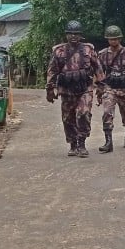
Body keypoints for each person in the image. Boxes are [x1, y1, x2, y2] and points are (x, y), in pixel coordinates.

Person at [46, 20, 103, 157]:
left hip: (85, 88)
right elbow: (52, 71)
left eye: (76, 34)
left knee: (83, 113)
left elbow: (98, 67)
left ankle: (82, 143)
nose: (73, 36)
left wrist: (101, 86)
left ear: (80, 35)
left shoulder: (88, 50)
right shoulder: (59, 51)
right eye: (70, 34)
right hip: (67, 90)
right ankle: (73, 144)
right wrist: (50, 89)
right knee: (68, 118)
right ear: (66, 35)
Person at [95, 25, 125, 153]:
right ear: (107, 40)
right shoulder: (103, 54)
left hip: (124, 89)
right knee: (107, 113)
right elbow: (99, 74)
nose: (113, 41)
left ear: (120, 39)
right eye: (111, 39)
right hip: (109, 88)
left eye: (116, 39)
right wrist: (99, 91)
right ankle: (108, 142)